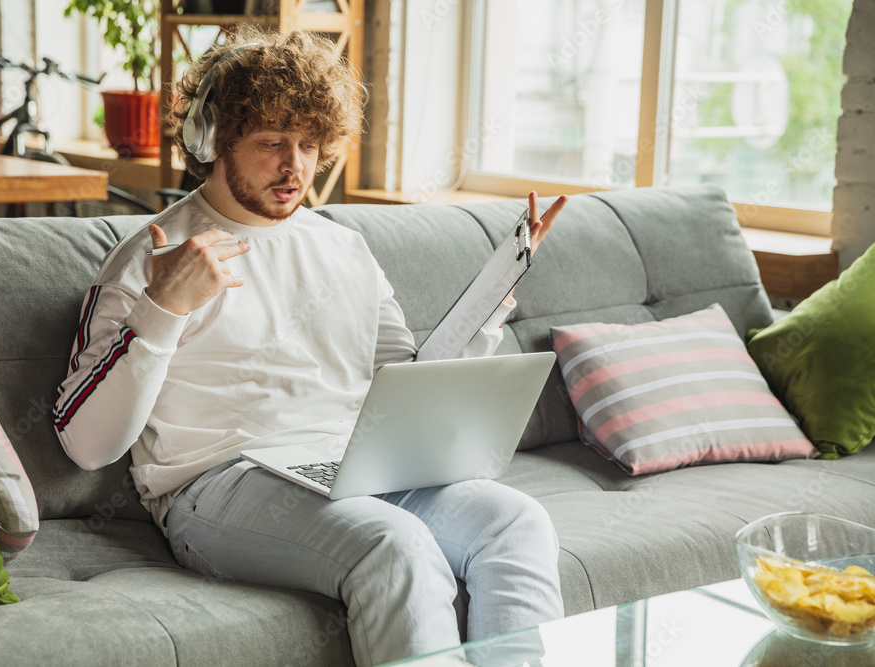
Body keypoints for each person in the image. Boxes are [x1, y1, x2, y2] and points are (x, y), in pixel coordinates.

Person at [53, 26, 567, 667]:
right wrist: (165, 309)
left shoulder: (342, 247)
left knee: (517, 522)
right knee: (395, 547)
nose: (295, 165)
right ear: (213, 139)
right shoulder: (153, 257)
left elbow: (403, 384)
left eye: (309, 143)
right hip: (215, 485)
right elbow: (87, 444)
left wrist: (486, 308)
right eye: (271, 143)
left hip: (352, 466)